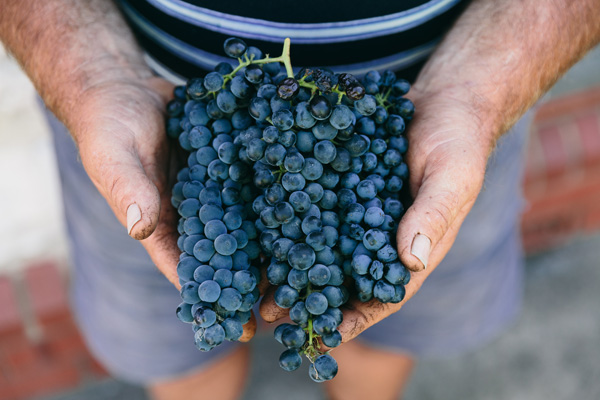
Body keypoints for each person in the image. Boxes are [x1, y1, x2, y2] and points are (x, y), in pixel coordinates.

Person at [1, 1, 599, 399]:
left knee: (386, 324)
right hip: (147, 134)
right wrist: (89, 74)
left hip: (446, 126)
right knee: (176, 350)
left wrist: (485, 92)